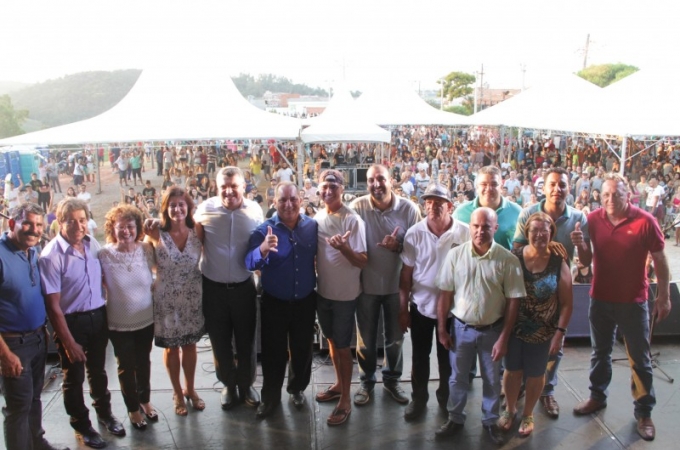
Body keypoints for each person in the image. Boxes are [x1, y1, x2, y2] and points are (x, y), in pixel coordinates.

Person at [573, 173, 671, 442]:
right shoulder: (592, 219)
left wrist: (663, 296)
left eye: (616, 194)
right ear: (599, 196)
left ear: (629, 195)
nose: (610, 199)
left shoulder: (645, 221)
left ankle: (644, 412)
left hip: (634, 302)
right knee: (599, 353)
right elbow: (586, 259)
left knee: (640, 359)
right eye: (605, 194)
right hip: (600, 299)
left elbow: (660, 259)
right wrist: (581, 244)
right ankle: (597, 397)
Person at [434, 207, 526, 445]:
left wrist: (504, 338)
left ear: (495, 228)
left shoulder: (508, 260)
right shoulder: (455, 256)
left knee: (492, 381)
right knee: (457, 378)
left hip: (492, 331)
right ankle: (455, 418)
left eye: (486, 226)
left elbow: (513, 302)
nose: (480, 231)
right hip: (461, 330)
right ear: (470, 226)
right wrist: (442, 328)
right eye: (476, 226)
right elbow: (445, 294)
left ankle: (490, 422)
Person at [39, 198, 125, 449]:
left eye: (82, 220)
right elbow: (53, 306)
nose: (78, 226)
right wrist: (67, 341)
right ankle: (81, 425)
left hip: (97, 317)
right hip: (71, 322)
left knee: (98, 371)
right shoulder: (51, 256)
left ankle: (105, 414)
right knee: (73, 377)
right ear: (59, 223)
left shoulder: (92, 244)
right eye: (71, 221)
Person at [512, 167, 591, 418]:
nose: (558, 189)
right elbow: (516, 247)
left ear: (570, 188)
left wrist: (580, 244)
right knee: (523, 343)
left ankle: (547, 391)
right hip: (528, 291)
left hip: (557, 292)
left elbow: (586, 259)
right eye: (553, 184)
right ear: (543, 187)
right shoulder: (528, 213)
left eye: (563, 185)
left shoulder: (579, 217)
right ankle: (523, 386)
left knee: (554, 345)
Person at [350, 164, 421, 406]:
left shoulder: (409, 209)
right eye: (371, 180)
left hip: (396, 287)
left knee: (395, 339)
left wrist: (398, 245)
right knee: (366, 341)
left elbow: (418, 249)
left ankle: (392, 380)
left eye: (381, 179)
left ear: (392, 181)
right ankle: (366, 382)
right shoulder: (357, 207)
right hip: (366, 286)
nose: (376, 184)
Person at [246, 181, 318, 418]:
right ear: (273, 203)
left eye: (293, 199)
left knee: (302, 351)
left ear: (301, 200)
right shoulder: (262, 230)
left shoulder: (312, 227)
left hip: (305, 301)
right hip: (274, 303)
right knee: (273, 353)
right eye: (283, 200)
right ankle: (270, 398)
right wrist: (263, 249)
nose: (288, 204)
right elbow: (249, 263)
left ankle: (297, 389)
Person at [399, 184, 470, 420]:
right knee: (419, 356)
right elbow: (405, 276)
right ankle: (419, 399)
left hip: (453, 310)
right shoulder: (414, 233)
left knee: (448, 358)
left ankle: (446, 397)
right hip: (421, 306)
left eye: (438, 203)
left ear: (450, 206)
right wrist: (403, 309)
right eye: (428, 202)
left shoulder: (464, 233)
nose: (432, 207)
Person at [0, 203, 68, 450]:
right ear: (11, 223)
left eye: (39, 224)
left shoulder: (31, 251)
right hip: (12, 345)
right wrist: (4, 354)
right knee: (18, 407)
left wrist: (43, 332)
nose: (34, 230)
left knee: (34, 397)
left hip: (38, 339)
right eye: (28, 223)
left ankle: (36, 442)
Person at [194, 167, 262, 410]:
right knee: (219, 340)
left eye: (234, 185)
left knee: (246, 340)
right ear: (217, 186)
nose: (229, 190)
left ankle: (246, 385)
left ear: (244, 186)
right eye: (224, 186)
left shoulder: (255, 211)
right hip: (213, 288)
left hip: (244, 287)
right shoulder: (204, 209)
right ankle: (228, 385)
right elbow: (191, 239)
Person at [500, 212, 573, 437]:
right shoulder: (515, 256)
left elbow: (567, 304)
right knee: (512, 371)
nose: (539, 235)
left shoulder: (558, 261)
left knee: (535, 373)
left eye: (544, 230)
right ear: (527, 232)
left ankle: (528, 413)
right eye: (534, 230)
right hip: (514, 327)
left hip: (543, 331)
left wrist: (559, 334)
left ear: (551, 233)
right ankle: (510, 409)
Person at [313, 170, 367, 426]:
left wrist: (344, 247)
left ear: (342, 189)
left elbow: (363, 261)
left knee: (344, 348)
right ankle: (338, 383)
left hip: (345, 296)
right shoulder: (318, 216)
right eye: (325, 186)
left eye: (333, 186)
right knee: (333, 342)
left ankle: (345, 398)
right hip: (323, 292)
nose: (328, 190)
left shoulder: (353, 220)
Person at [145, 187, 205, 416]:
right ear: (165, 208)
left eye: (182, 204)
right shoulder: (155, 231)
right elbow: (147, 262)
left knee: (190, 345)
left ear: (189, 207)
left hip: (192, 296)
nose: (177, 209)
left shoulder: (197, 229)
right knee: (171, 348)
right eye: (172, 205)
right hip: (166, 298)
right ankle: (177, 393)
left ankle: (190, 389)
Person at [98, 205, 156, 431]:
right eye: (120, 227)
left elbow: (161, 269)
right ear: (113, 228)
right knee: (125, 366)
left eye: (130, 226)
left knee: (144, 362)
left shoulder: (146, 249)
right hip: (118, 322)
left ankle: (145, 399)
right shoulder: (104, 254)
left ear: (137, 228)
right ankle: (132, 408)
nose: (126, 231)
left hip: (145, 319)